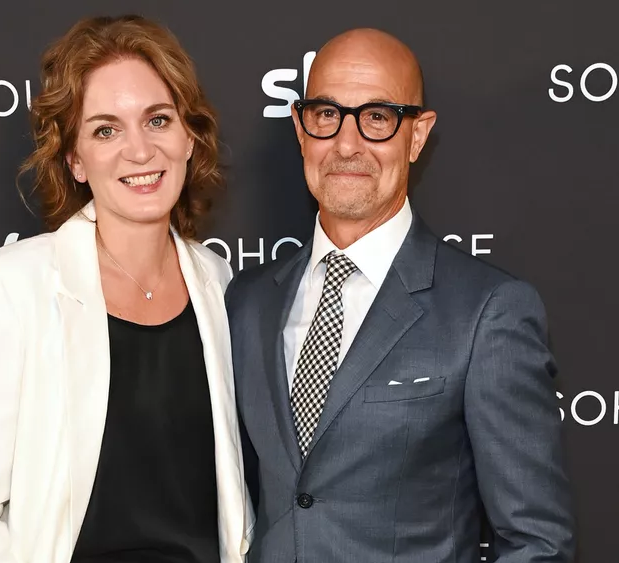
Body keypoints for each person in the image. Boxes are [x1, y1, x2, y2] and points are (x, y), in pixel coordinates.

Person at [226, 28, 574, 563]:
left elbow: (537, 544)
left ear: (417, 135)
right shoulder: (248, 302)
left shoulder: (487, 313)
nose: (347, 144)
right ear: (300, 128)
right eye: (327, 114)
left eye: (377, 117)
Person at [0, 15, 253, 563]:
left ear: (188, 137)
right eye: (106, 130)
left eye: (157, 120)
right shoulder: (7, 289)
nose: (140, 150)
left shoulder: (220, 283)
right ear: (76, 160)